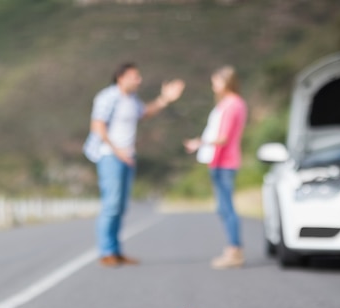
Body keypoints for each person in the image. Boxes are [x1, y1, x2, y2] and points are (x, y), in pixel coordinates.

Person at [88, 62, 185, 267]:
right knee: (111, 205)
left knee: (121, 206)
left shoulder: (131, 100)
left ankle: (115, 251)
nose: (139, 80)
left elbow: (145, 113)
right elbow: (97, 125)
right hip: (110, 156)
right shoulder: (107, 97)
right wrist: (117, 150)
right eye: (135, 76)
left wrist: (164, 99)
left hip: (128, 158)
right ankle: (106, 252)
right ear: (121, 78)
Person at [183, 66, 247, 269]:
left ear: (226, 82)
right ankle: (233, 248)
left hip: (225, 162)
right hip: (218, 161)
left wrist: (200, 143)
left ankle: (234, 250)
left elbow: (223, 137)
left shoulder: (233, 104)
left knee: (227, 207)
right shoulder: (227, 104)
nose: (213, 86)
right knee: (222, 207)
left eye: (216, 82)